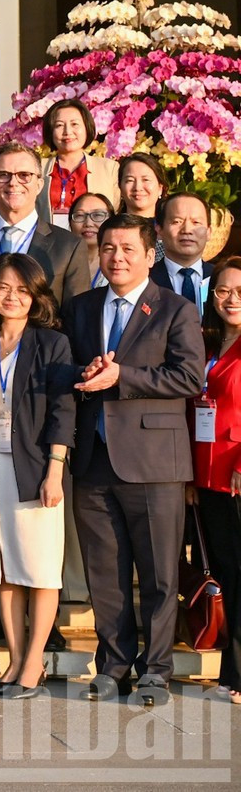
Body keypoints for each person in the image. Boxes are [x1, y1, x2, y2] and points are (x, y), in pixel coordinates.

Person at [68, 213, 204, 705]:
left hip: (153, 462)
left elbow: (189, 378)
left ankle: (156, 670)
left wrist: (122, 375)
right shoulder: (81, 308)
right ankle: (113, 665)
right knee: (105, 574)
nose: (117, 257)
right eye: (108, 248)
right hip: (93, 457)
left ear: (151, 255)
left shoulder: (176, 309)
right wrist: (84, 374)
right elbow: (68, 371)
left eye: (128, 249)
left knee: (159, 574)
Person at [0, 252, 76, 700]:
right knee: (3, 566)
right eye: (3, 287)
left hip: (34, 466)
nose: (11, 296)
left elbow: (62, 409)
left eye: (21, 289)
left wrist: (55, 468)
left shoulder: (51, 344)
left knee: (39, 567)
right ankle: (14, 657)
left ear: (35, 297)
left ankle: (34, 663)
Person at [0, 143, 81, 318]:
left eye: (24, 175)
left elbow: (76, 318)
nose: (13, 183)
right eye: (3, 175)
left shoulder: (68, 247)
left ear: (39, 184)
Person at [194, 257, 241, 701]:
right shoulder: (208, 344)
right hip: (206, 478)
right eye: (224, 290)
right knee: (225, 570)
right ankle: (230, 670)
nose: (232, 299)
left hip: (236, 473)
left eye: (240, 292)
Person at [44, 99, 120, 225]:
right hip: (48, 242)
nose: (67, 132)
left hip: (95, 242)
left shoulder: (109, 169)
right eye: (59, 125)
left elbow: (115, 209)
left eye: (75, 124)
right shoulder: (37, 169)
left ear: (86, 127)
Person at [157, 191, 213, 312]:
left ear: (209, 232)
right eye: (177, 221)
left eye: (196, 222)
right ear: (159, 230)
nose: (187, 230)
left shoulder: (219, 278)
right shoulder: (144, 279)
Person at [67, 191, 115, 294]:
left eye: (98, 215)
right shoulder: (60, 262)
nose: (88, 223)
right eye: (79, 216)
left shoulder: (119, 261)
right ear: (70, 223)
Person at [116, 153, 166, 222]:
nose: (137, 187)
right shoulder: (110, 230)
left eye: (146, 180)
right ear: (120, 187)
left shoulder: (169, 230)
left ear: (160, 188)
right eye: (130, 180)